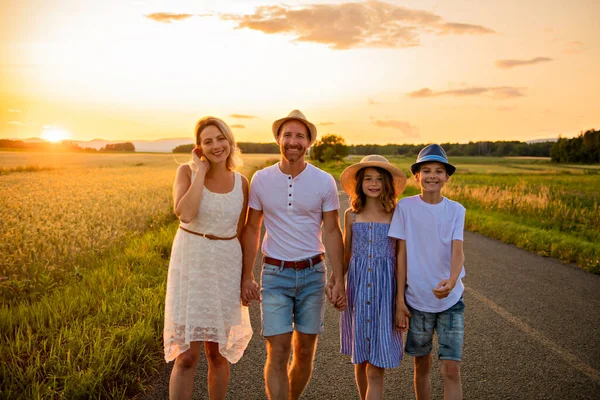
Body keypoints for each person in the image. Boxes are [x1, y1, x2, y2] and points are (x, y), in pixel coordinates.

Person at [240, 109, 346, 400]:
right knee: (278, 351)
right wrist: (246, 275)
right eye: (287, 135)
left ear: (309, 142)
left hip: (313, 274)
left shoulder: (324, 181)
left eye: (300, 135)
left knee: (304, 352)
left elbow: (333, 231)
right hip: (275, 275)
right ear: (278, 139)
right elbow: (252, 229)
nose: (293, 141)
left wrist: (339, 277)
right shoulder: (261, 180)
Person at [163, 117, 253, 400]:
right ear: (198, 147)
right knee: (187, 356)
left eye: (220, 138)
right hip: (190, 264)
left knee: (218, 354)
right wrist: (200, 171)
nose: (216, 146)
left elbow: (241, 231)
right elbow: (186, 214)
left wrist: (245, 277)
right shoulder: (186, 173)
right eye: (208, 141)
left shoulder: (242, 182)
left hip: (225, 265)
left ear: (230, 141)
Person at [389, 144, 466, 400]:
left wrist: (453, 281)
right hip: (417, 301)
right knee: (421, 364)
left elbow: (458, 251)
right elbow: (401, 254)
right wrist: (400, 300)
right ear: (417, 176)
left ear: (446, 177)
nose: (432, 175)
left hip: (450, 302)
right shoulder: (405, 208)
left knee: (451, 369)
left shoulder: (456, 210)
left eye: (438, 171)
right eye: (426, 170)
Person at [339, 155, 408, 400]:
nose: (374, 183)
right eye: (368, 178)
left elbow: (401, 256)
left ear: (387, 184)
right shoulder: (351, 215)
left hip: (384, 293)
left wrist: (400, 301)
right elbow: (346, 254)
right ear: (360, 183)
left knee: (376, 368)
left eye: (380, 179)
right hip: (357, 291)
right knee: (360, 361)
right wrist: (337, 283)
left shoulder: (396, 214)